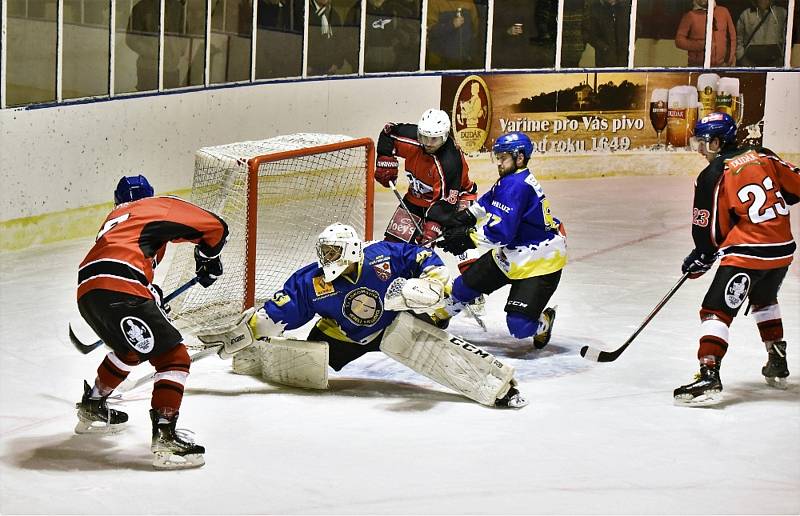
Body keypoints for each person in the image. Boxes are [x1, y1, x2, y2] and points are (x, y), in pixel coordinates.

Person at [199, 223, 528, 408]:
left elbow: (422, 256)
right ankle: (250, 359)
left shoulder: (381, 256)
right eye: (324, 252)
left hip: (393, 324)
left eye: (333, 252)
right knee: (305, 362)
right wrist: (246, 333)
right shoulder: (311, 281)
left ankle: (499, 388)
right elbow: (277, 314)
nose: (327, 258)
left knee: (438, 351)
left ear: (353, 250)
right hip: (341, 335)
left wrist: (435, 282)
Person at [75, 175, 229, 469]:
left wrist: (151, 297)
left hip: (87, 292)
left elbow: (122, 261)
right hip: (121, 288)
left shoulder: (116, 218)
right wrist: (208, 259)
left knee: (130, 351)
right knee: (175, 359)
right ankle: (166, 438)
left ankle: (93, 405)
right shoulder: (155, 207)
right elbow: (216, 226)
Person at [673, 112, 799, 405]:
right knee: (764, 300)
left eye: (704, 143)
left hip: (747, 254)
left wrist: (701, 257)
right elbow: (795, 186)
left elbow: (708, 228)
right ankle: (777, 361)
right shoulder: (765, 155)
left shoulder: (713, 174)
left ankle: (708, 373)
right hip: (782, 250)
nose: (701, 150)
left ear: (717, 142)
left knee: (715, 311)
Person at [429, 132, 565, 348]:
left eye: (503, 158)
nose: (499, 163)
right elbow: (487, 202)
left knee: (520, 326)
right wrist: (463, 218)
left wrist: (466, 237)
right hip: (513, 253)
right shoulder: (511, 179)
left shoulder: (517, 186)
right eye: (498, 157)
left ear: (520, 157)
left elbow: (501, 233)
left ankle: (543, 322)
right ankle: (441, 315)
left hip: (539, 263)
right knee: (463, 288)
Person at [375, 108, 477, 247]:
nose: (428, 143)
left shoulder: (450, 162)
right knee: (393, 245)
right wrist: (385, 159)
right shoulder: (412, 139)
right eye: (424, 137)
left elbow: (446, 202)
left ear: (445, 136)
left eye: (434, 139)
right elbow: (388, 132)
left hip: (458, 197)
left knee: (460, 245)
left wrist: (432, 228)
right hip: (417, 197)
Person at [347, 0, 420, 72]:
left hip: (395, 72)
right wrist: (357, 64)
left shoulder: (398, 10)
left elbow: (412, 40)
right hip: (364, 72)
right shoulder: (357, 10)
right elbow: (346, 39)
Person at [675, 0, 736, 67]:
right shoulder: (690, 15)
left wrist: (730, 59)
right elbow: (679, 41)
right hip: (697, 66)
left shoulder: (723, 12)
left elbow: (732, 36)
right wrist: (701, 45)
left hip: (721, 66)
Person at [426, 0, 483, 69]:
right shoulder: (433, 2)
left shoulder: (469, 3)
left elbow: (475, 30)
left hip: (465, 62)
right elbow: (430, 31)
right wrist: (451, 25)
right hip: (440, 62)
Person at [307, 0, 359, 75]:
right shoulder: (304, 12)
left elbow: (340, 41)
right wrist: (305, 65)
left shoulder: (334, 15)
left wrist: (336, 63)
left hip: (330, 70)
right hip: (308, 71)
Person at [736, 0, 787, 67]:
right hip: (751, 63)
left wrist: (782, 59)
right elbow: (738, 40)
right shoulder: (745, 15)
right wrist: (742, 59)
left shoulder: (781, 13)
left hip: (775, 63)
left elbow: (787, 39)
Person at [582, 0, 631, 67]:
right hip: (603, 60)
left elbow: (637, 27)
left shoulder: (627, 8)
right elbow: (588, 32)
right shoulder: (595, 8)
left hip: (624, 59)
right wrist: (604, 47)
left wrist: (627, 43)